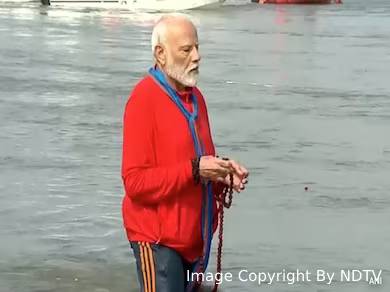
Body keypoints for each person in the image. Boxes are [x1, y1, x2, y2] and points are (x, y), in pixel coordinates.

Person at [121, 13, 249, 292]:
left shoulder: (196, 98)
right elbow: (135, 183)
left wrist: (222, 175)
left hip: (195, 240)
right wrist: (195, 169)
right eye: (186, 50)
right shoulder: (143, 99)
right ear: (161, 53)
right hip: (157, 240)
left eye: (197, 47)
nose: (197, 57)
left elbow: (198, 162)